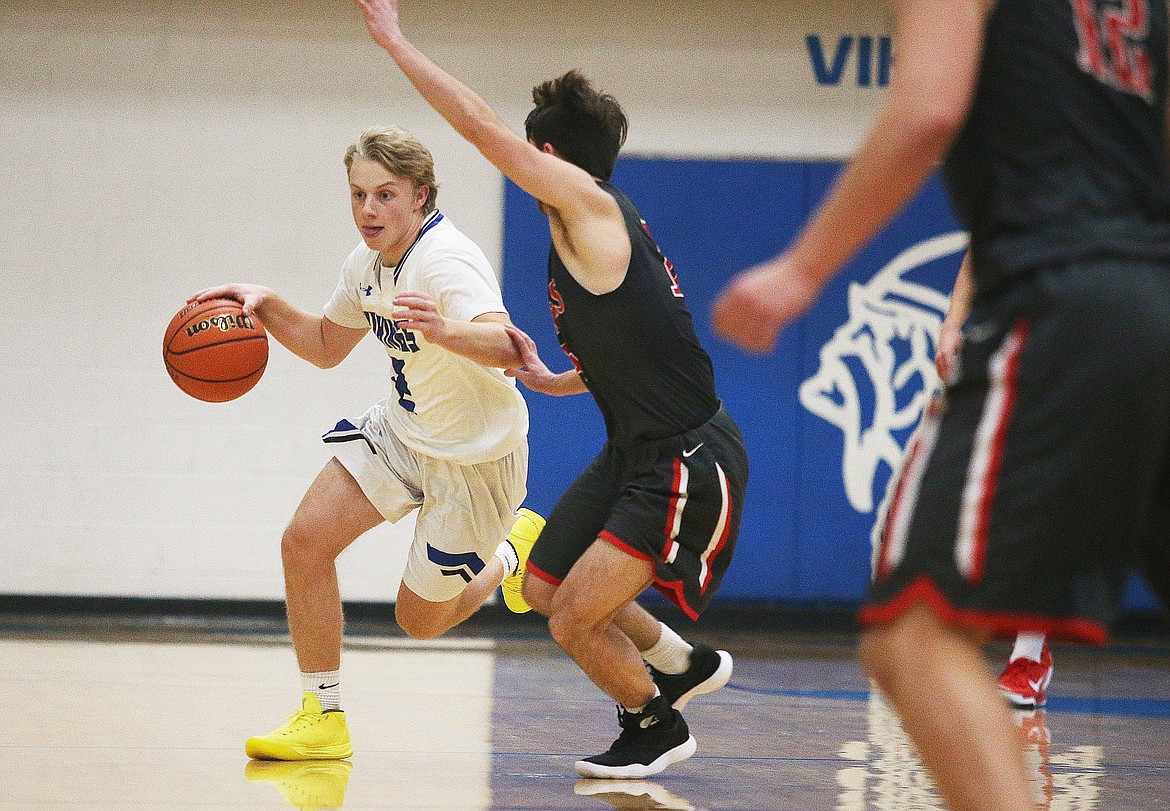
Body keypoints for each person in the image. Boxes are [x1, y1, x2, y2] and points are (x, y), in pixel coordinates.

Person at [713, 0, 1170, 808]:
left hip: (1064, 295)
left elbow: (927, 107)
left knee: (914, 632)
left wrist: (802, 270)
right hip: (1150, 294)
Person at [354, 0, 749, 779]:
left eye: (524, 147)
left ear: (546, 152)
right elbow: (643, 344)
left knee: (573, 618)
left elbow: (476, 126)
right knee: (540, 584)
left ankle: (653, 723)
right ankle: (678, 660)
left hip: (686, 458)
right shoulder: (590, 228)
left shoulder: (588, 205)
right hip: (635, 446)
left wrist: (397, 43)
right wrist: (556, 378)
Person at [191, 125, 544, 761]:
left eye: (385, 195)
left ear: (420, 196)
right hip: (403, 434)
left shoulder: (447, 262)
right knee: (304, 541)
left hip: (474, 459)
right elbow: (326, 346)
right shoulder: (365, 265)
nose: (368, 210)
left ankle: (513, 554)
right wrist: (267, 304)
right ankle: (322, 717)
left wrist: (446, 330)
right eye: (358, 195)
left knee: (419, 620)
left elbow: (511, 349)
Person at [938, 254, 1055, 711]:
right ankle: (1020, 648)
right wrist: (951, 326)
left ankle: (1029, 654)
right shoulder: (1014, 190)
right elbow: (979, 248)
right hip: (1011, 343)